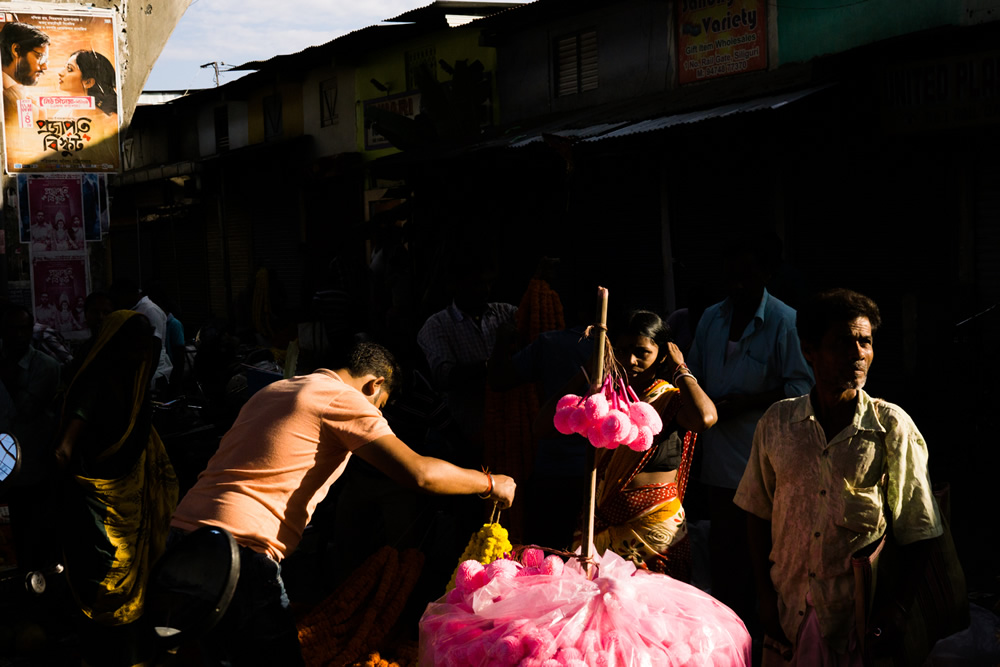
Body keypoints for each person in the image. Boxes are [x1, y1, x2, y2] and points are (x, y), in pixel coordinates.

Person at [170, 340, 516, 665]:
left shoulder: (275, 390)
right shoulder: (341, 398)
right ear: (373, 385)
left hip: (182, 538)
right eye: (380, 407)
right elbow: (420, 473)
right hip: (240, 550)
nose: (377, 416)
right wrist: (490, 482)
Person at [734, 289, 944, 665]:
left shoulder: (891, 427)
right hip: (790, 612)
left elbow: (920, 527)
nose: (857, 354)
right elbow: (756, 512)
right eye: (843, 343)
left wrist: (897, 609)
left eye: (865, 342)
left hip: (858, 624)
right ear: (809, 352)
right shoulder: (778, 423)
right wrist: (765, 599)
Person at [686, 235, 813, 625]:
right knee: (728, 567)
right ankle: (733, 640)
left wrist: (746, 402)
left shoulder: (785, 320)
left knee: (769, 564)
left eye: (746, 275)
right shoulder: (712, 317)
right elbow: (692, 376)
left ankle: (771, 641)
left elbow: (801, 388)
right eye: (731, 276)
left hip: (768, 468)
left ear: (766, 273)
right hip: (720, 468)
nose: (737, 285)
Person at [53, 310, 178, 666]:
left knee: (136, 568)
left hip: (132, 493)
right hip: (100, 497)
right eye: (133, 343)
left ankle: (132, 640)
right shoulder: (96, 382)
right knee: (108, 568)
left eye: (144, 343)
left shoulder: (135, 379)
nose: (141, 352)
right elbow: (67, 443)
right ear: (114, 343)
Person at [587, 310, 717, 580]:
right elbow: (544, 424)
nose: (629, 361)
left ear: (663, 355)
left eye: (641, 352)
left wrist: (680, 369)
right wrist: (592, 370)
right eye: (621, 351)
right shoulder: (607, 400)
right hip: (604, 533)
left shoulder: (670, 399)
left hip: (653, 537)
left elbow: (705, 418)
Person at [417, 255, 517, 467]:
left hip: (507, 430)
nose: (485, 290)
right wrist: (495, 362)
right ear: (454, 285)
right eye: (476, 284)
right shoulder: (437, 325)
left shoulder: (506, 313)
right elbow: (444, 377)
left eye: (488, 283)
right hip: (461, 434)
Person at [109, 279, 172, 389]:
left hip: (155, 373)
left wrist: (146, 379)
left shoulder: (149, 310)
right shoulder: (135, 309)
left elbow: (155, 345)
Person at [0, 22, 49, 126]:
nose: (45, 67)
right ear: (16, 50)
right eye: (40, 56)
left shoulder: (20, 93)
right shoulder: (7, 97)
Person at [57, 49, 117, 117]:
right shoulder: (63, 113)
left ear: (88, 82)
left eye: (70, 69)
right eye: (64, 67)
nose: (60, 73)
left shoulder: (101, 120)